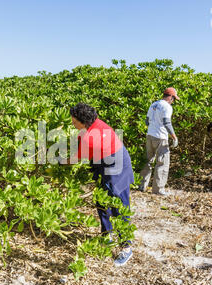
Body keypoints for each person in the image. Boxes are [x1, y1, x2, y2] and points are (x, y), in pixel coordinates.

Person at [60, 103, 135, 267]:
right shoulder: (92, 125)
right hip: (105, 163)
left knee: (119, 207)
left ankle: (126, 247)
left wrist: (58, 161)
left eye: (74, 122)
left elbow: (75, 159)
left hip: (118, 166)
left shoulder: (89, 137)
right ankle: (106, 235)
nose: (72, 124)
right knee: (101, 201)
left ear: (82, 121)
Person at [138, 87, 179, 196]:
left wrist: (154, 125)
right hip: (161, 137)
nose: (173, 101)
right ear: (170, 97)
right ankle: (158, 189)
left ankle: (142, 185)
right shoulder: (167, 106)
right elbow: (167, 122)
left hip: (149, 135)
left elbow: (147, 121)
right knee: (162, 163)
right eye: (173, 99)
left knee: (148, 161)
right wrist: (174, 137)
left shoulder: (153, 104)